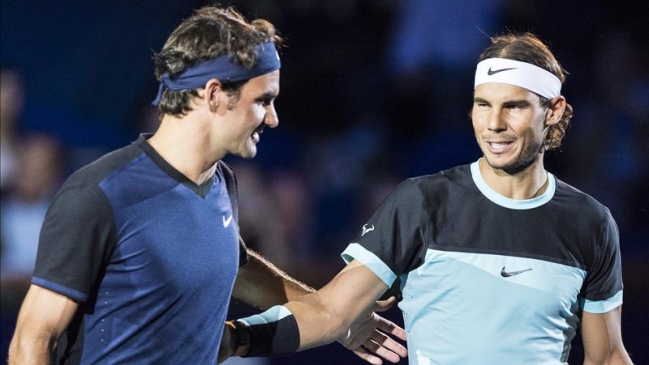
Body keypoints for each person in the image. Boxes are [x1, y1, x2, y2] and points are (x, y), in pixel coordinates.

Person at [7, 6, 406, 365]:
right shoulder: (101, 194)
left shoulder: (220, 182)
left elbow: (233, 264)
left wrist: (331, 315)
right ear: (215, 94)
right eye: (263, 101)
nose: (273, 119)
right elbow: (31, 341)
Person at [221, 32, 634, 364]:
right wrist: (233, 339)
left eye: (514, 107)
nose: (494, 124)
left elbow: (607, 355)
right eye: (482, 105)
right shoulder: (420, 202)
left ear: (555, 110)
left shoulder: (591, 223)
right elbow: (330, 312)